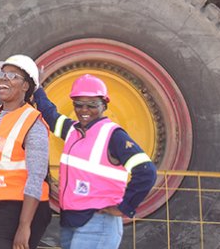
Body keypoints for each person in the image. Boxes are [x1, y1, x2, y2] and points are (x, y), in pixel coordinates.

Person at [34, 74, 156, 249]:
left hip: (98, 223)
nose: (84, 110)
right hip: (71, 221)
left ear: (104, 105)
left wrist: (125, 207)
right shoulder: (72, 131)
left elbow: (146, 171)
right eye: (79, 105)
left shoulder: (114, 135)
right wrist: (37, 89)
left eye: (92, 105)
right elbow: (50, 115)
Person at [0, 54, 51, 249]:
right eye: (2, 74)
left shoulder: (33, 123)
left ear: (26, 86)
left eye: (12, 76)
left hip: (18, 207)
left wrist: (24, 226)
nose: (3, 78)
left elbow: (36, 176)